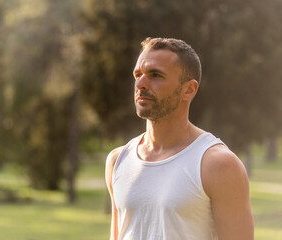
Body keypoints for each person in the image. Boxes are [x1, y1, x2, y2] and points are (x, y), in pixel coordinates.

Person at [105, 37, 254, 240]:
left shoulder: (218, 164)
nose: (140, 83)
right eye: (137, 74)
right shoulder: (117, 161)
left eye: (155, 75)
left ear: (189, 89)